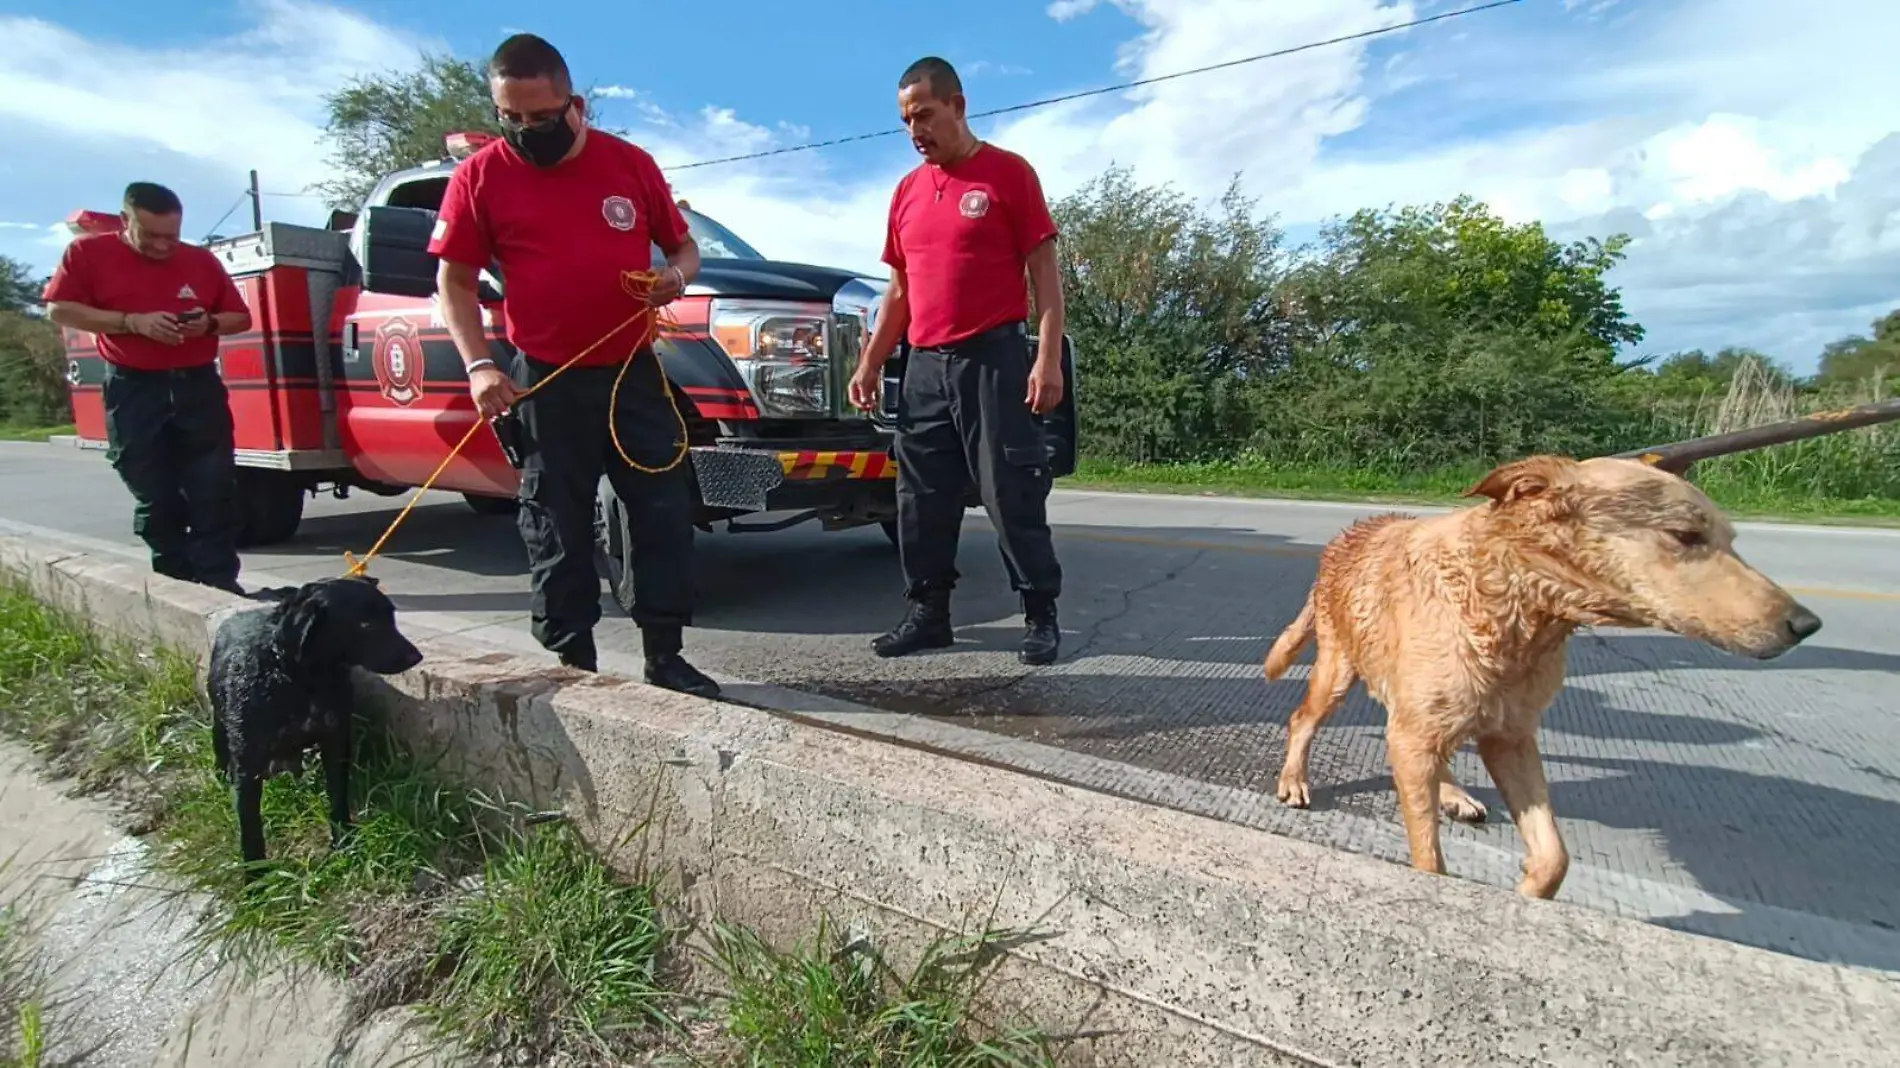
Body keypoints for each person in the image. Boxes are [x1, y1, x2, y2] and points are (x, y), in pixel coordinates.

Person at [429, 33, 719, 698]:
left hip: (632, 373)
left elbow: (685, 248)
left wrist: (674, 276)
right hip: (544, 378)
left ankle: (665, 655)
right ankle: (572, 664)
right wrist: (480, 365)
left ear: (575, 105)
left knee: (661, 511)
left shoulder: (629, 165)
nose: (528, 131)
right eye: (513, 118)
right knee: (552, 519)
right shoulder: (481, 177)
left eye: (542, 116)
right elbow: (456, 281)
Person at [849, 56, 1067, 666]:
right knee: (920, 496)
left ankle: (1040, 614)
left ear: (958, 105)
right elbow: (900, 291)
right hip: (924, 364)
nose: (914, 129)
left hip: (992, 358)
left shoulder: (1008, 174)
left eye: (924, 114)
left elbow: (1044, 276)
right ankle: (928, 613)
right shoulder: (908, 192)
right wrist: (870, 363)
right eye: (905, 120)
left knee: (1010, 491)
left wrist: (1046, 358)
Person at [43, 181, 250, 595]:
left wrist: (206, 323)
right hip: (135, 385)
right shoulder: (88, 253)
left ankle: (220, 585)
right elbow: (59, 308)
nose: (162, 246)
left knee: (214, 490)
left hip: (197, 385)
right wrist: (131, 322)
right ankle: (176, 586)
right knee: (156, 493)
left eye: (171, 236)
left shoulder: (200, 260)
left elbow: (238, 318)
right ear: (124, 222)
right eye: (150, 235)